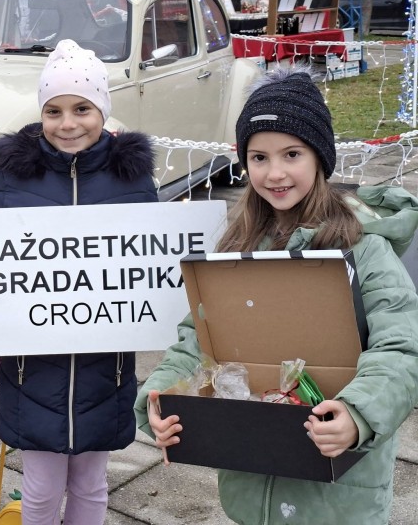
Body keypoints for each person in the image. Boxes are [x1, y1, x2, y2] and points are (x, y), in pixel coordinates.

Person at [135, 68, 418, 525]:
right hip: (252, 485)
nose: (275, 172)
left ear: (319, 157)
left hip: (338, 497)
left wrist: (359, 414)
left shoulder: (366, 249)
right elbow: (200, 341)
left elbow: (402, 348)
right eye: (259, 157)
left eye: (292, 154)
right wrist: (160, 398)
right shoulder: (238, 246)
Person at [0, 39, 158, 525]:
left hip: (105, 368)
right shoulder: (11, 179)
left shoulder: (131, 179)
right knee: (39, 489)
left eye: (82, 109)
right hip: (32, 371)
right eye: (53, 111)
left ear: (103, 110)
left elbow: (151, 261)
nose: (68, 123)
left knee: (92, 485)